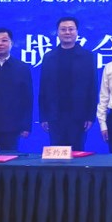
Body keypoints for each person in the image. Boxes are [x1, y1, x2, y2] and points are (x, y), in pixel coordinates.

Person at [39, 17, 98, 150]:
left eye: (71, 29)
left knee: (77, 153)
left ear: (77, 32)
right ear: (57, 32)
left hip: (79, 116)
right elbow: (43, 89)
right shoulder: (49, 57)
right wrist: (43, 116)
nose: (67, 32)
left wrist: (90, 116)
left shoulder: (87, 56)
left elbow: (92, 88)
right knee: (56, 153)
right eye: (63, 29)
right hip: (55, 116)